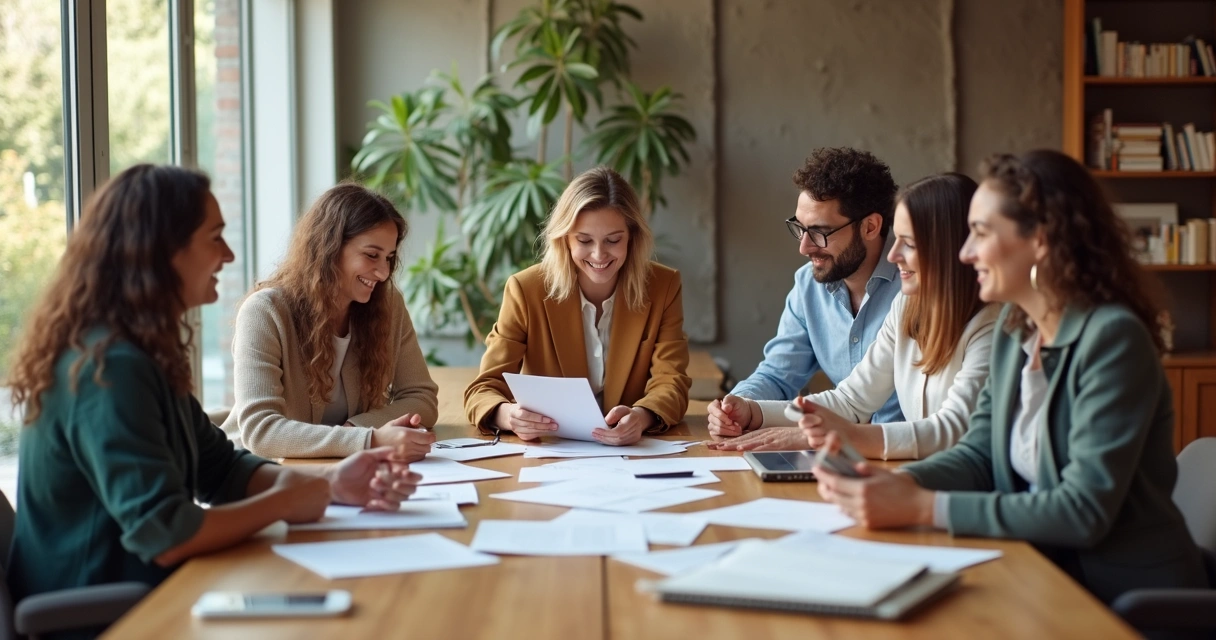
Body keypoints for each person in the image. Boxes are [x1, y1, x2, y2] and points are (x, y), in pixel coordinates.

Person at [4, 165, 419, 636]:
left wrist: (334, 485)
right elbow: (168, 533)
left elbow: (220, 468)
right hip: (109, 615)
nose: (228, 253)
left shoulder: (142, 354)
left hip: (157, 591)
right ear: (161, 250)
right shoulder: (109, 369)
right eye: (215, 237)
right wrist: (293, 497)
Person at [812, 150, 1209, 606]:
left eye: (980, 233)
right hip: (1039, 574)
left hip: (1123, 601)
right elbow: (978, 455)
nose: (964, 252)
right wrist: (903, 484)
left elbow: (1082, 511)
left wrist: (924, 506)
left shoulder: (1112, 341)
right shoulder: (1014, 329)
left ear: (1040, 240)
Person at [709, 173, 999, 459]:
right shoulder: (907, 305)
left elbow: (954, 430)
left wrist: (831, 437)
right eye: (897, 239)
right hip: (909, 473)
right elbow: (850, 399)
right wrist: (752, 411)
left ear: (951, 250)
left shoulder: (992, 322)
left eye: (908, 243)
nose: (893, 254)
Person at [464, 166, 690, 446]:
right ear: (565, 239)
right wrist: (509, 415)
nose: (599, 254)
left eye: (613, 240)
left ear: (632, 237)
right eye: (584, 240)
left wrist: (641, 417)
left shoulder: (663, 286)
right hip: (553, 450)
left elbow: (673, 382)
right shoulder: (526, 290)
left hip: (634, 451)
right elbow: (482, 389)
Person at [222, 183, 439, 459]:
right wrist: (368, 439)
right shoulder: (264, 312)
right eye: (371, 255)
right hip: (261, 473)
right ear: (329, 247)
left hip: (341, 468)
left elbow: (422, 398)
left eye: (389, 258)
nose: (383, 272)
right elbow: (261, 432)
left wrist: (355, 430)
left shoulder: (388, 305)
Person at [708, 147, 904, 436]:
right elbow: (777, 375)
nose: (804, 247)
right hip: (845, 454)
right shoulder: (808, 286)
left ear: (871, 226)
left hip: (910, 458)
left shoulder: (915, 286)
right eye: (800, 228)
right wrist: (738, 405)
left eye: (820, 232)